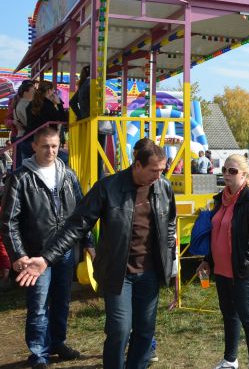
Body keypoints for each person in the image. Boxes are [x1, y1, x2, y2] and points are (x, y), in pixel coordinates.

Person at [17, 142, 177, 369]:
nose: (159, 176)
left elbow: (169, 223)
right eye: (154, 170)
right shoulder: (108, 188)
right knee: (120, 329)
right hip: (117, 272)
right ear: (137, 165)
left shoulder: (163, 187)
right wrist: (46, 258)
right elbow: (76, 226)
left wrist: (170, 257)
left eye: (162, 170)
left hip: (149, 273)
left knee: (145, 330)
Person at [1, 126, 94, 368]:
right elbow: (9, 221)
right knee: (39, 305)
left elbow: (82, 214)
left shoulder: (68, 175)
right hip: (35, 255)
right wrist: (18, 254)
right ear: (34, 146)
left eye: (54, 146)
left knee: (61, 301)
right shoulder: (20, 178)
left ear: (60, 146)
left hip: (64, 251)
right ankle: (39, 354)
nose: (50, 151)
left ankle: (57, 343)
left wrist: (89, 243)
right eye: (45, 146)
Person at [196, 154, 249, 369]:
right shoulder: (220, 200)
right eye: (224, 170)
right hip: (221, 269)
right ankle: (230, 360)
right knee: (229, 315)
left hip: (243, 269)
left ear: (244, 175)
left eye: (232, 171)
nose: (227, 174)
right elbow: (216, 234)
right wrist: (207, 260)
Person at [11, 80, 36, 167]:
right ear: (25, 92)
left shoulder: (19, 103)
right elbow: (28, 121)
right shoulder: (24, 105)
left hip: (22, 136)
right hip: (25, 136)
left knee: (22, 163)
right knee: (26, 165)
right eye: (33, 91)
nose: (35, 92)